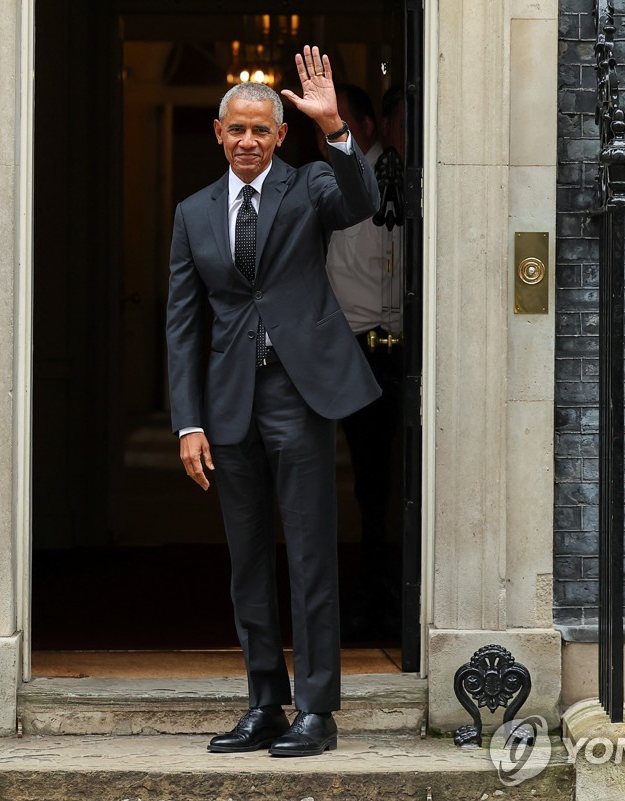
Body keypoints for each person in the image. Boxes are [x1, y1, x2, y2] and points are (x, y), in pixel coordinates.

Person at [166, 46, 380, 758]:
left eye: (263, 130)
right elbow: (183, 323)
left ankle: (317, 710)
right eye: (239, 130)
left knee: (312, 555)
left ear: (281, 136)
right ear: (219, 133)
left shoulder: (312, 183)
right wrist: (188, 419)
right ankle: (265, 700)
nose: (250, 141)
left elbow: (363, 203)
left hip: (299, 394)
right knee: (247, 560)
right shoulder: (193, 213)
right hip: (228, 405)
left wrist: (337, 131)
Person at [321, 84, 404, 642]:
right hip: (360, 349)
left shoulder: (394, 181)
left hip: (388, 348)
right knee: (369, 483)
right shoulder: (336, 186)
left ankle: (382, 596)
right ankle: (371, 597)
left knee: (384, 483)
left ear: (367, 127)